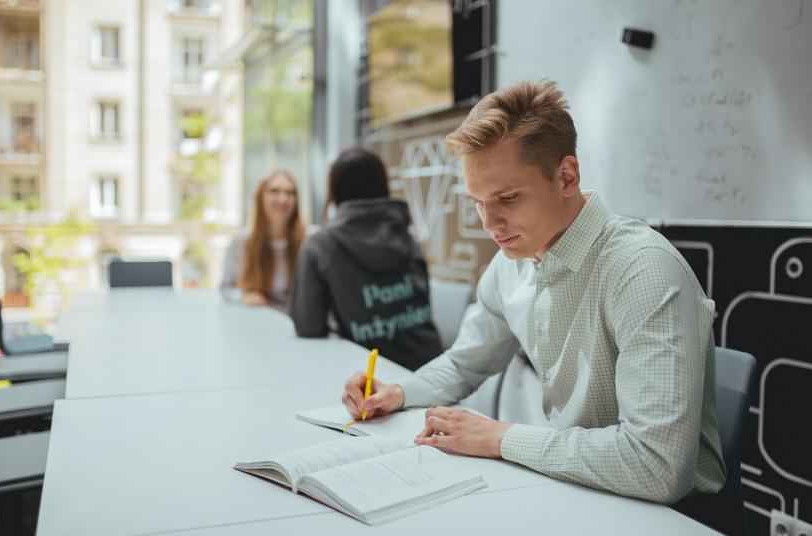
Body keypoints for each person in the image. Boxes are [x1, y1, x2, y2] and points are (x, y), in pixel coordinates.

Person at [341, 81, 727, 509]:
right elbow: (465, 363)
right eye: (477, 202)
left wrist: (500, 437)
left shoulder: (642, 271)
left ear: (566, 176)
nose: (490, 223)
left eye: (507, 198)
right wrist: (397, 393)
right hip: (580, 493)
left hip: (673, 517)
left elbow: (656, 465)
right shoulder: (511, 263)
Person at [289, 147, 443, 371]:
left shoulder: (320, 245)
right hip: (434, 373)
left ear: (334, 191)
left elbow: (308, 326)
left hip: (371, 382)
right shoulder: (406, 235)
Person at [221, 171, 305, 310]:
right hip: (260, 319)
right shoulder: (243, 240)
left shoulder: (310, 239)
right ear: (261, 197)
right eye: (274, 191)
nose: (283, 199)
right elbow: (226, 288)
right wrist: (242, 296)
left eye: (290, 193)